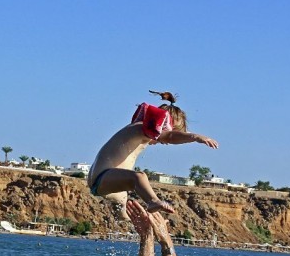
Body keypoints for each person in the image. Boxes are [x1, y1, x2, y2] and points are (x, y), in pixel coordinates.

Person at [88, 91, 219, 220]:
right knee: (139, 177)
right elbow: (170, 136)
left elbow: (170, 135)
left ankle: (127, 217)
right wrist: (195, 137)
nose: (164, 143)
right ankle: (153, 201)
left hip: (108, 183)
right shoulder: (142, 128)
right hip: (102, 178)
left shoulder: (137, 131)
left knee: (125, 199)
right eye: (162, 139)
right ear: (163, 126)